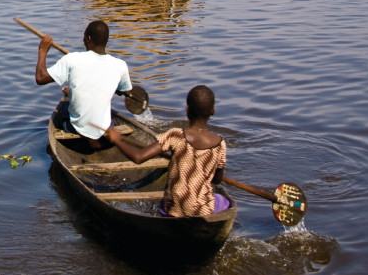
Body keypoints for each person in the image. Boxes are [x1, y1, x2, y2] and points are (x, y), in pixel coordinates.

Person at [104, 84, 229, 217]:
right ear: (213, 111)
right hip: (202, 211)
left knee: (168, 201)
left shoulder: (176, 135)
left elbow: (138, 157)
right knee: (224, 201)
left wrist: (117, 140)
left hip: (173, 210)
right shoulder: (220, 144)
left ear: (187, 109)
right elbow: (217, 181)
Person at [35, 20, 132, 146]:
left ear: (88, 38)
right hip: (103, 129)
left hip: (76, 128)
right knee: (108, 116)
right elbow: (125, 91)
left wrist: (43, 50)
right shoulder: (120, 65)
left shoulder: (72, 59)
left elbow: (40, 78)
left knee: (63, 108)